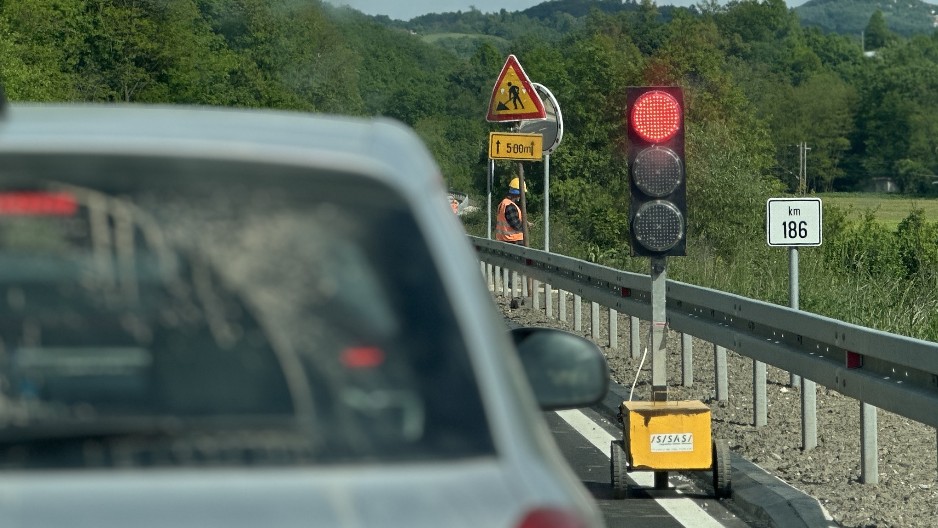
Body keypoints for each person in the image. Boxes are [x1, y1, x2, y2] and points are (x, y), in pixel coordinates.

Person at [495, 177, 527, 245]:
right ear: (518, 192)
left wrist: (525, 222)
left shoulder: (503, 203)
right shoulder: (510, 206)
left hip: (503, 241)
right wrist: (525, 226)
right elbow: (516, 225)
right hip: (513, 241)